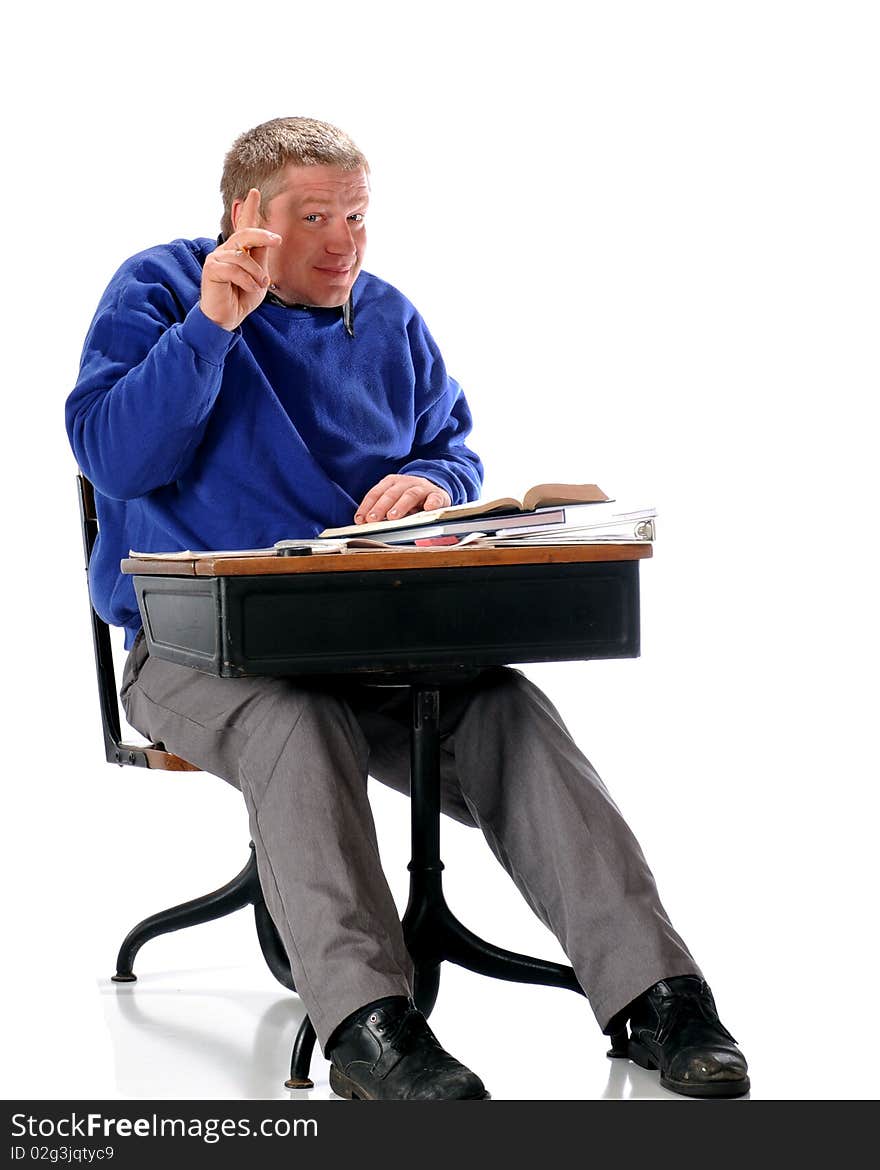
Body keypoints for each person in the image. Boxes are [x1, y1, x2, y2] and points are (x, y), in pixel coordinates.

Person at [66, 116, 749, 1101]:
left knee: (509, 710)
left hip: (368, 637)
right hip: (195, 652)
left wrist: (432, 477)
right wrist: (209, 330)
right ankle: (367, 1027)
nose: (343, 241)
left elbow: (452, 445)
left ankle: (660, 992)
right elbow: (114, 458)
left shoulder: (387, 318)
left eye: (356, 216)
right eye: (315, 217)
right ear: (244, 215)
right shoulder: (164, 289)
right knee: (291, 719)